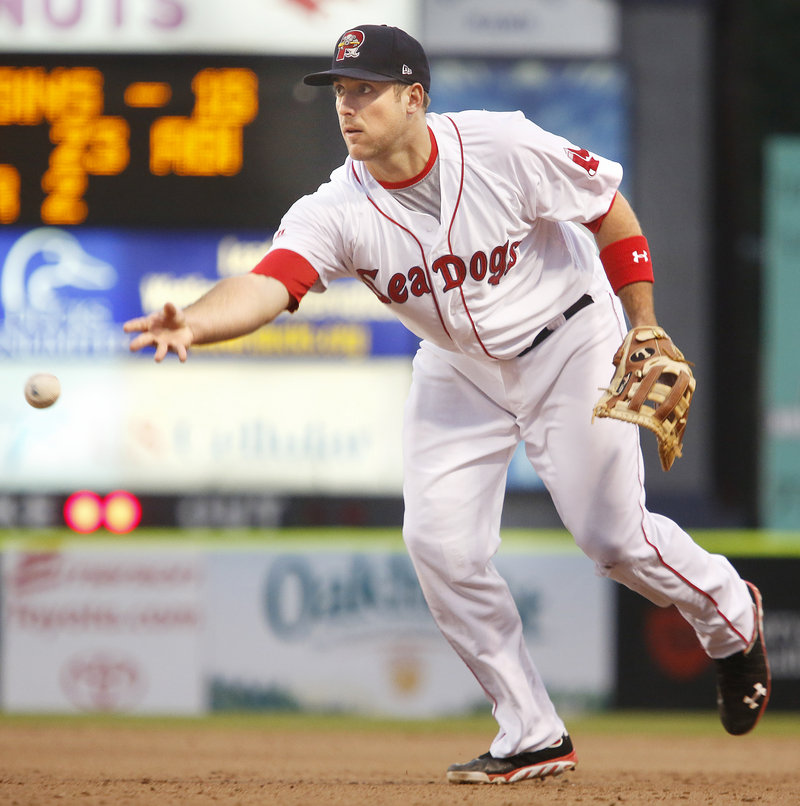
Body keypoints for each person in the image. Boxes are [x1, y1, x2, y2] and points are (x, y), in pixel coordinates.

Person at [124, 25, 770, 784]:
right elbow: (271, 281)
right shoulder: (337, 208)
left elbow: (608, 210)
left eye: (364, 89)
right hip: (460, 367)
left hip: (569, 341)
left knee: (612, 539)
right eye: (340, 91)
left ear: (414, 97)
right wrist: (195, 320)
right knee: (438, 544)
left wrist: (646, 322)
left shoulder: (501, 147)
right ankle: (531, 730)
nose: (347, 106)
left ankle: (731, 616)